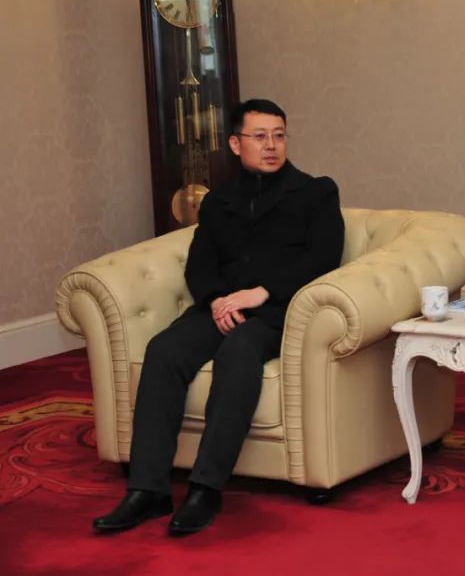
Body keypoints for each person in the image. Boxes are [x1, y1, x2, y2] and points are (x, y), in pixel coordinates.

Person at [93, 99, 345, 535]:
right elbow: (200, 264)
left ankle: (205, 488)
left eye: (279, 135)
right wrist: (214, 299)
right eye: (259, 136)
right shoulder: (217, 202)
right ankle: (148, 490)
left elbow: (323, 257)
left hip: (278, 311)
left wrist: (262, 292)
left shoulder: (315, 192)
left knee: (239, 351)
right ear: (234, 143)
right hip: (222, 307)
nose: (271, 145)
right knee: (164, 350)